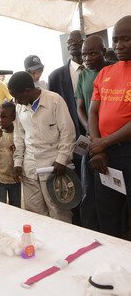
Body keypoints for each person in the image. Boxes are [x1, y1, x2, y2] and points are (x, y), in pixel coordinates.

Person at [9, 71, 76, 223]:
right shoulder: (20, 107)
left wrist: (62, 159)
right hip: (30, 168)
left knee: (58, 212)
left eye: (18, 97)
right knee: (35, 214)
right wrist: (18, 163)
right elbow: (19, 137)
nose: (16, 101)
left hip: (53, 166)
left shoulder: (54, 100)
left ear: (27, 91)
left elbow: (68, 132)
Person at [88, 15, 131, 239]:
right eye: (115, 40)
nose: (118, 45)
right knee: (108, 215)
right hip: (105, 155)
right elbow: (93, 111)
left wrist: (102, 143)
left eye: (126, 39)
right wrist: (99, 148)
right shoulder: (105, 73)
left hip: (127, 151)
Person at [48, 30, 85, 225]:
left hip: (100, 141)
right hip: (71, 145)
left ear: (83, 42)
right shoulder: (56, 76)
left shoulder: (98, 69)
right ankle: (79, 224)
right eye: (69, 42)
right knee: (75, 189)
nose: (72, 45)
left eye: (76, 41)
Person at [75, 35, 108, 231]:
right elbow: (80, 107)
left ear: (104, 52)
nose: (87, 58)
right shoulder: (83, 76)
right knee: (88, 191)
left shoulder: (113, 70)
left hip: (112, 140)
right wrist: (91, 131)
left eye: (93, 53)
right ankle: (90, 230)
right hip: (90, 138)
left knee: (110, 192)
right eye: (84, 54)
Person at [0, 102, 21, 208]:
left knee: (16, 206)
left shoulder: (19, 135)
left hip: (15, 179)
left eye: (4, 117)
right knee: (1, 206)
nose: (0, 120)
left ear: (13, 117)